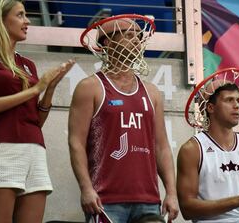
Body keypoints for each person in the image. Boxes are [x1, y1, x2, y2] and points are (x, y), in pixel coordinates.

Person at [0, 0, 74, 222]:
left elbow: (36, 120)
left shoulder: (28, 64)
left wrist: (50, 89)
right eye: (20, 15)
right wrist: (36, 89)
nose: (28, 21)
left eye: (26, 15)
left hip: (35, 151)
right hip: (2, 150)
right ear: (1, 20)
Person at [68, 16, 179, 223]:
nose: (137, 41)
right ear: (108, 43)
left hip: (149, 199)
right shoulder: (90, 87)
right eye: (129, 35)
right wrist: (85, 188)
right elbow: (76, 142)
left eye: (138, 37)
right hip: (106, 199)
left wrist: (171, 192)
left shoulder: (152, 92)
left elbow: (162, 146)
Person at [177, 73, 239, 222]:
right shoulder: (192, 150)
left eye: (237, 100)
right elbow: (187, 209)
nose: (237, 105)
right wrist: (238, 201)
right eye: (229, 100)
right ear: (210, 107)